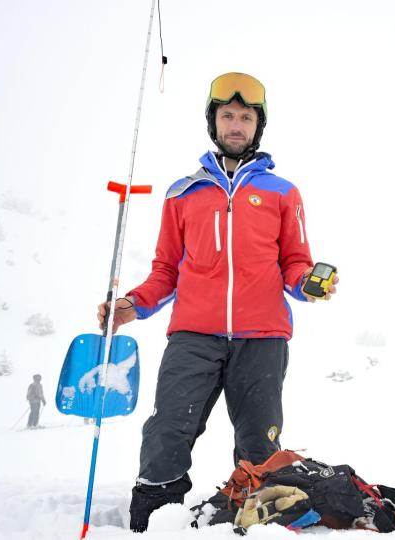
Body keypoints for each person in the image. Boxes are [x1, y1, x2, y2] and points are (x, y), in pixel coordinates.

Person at [95, 72, 338, 532]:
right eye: (227, 115)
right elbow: (166, 270)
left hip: (262, 337)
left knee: (259, 444)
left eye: (246, 117)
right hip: (194, 335)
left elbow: (295, 264)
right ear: (214, 122)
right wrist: (133, 305)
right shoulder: (182, 193)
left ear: (258, 126)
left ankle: (252, 523)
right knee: (168, 428)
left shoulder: (282, 192)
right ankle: (152, 520)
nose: (236, 125)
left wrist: (308, 283)